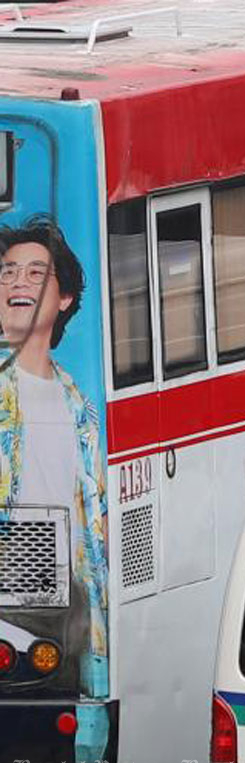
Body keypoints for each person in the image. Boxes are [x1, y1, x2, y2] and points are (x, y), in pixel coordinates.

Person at [0, 216, 108, 690]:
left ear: (64, 300)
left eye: (35, 272)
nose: (17, 281)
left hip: (65, 605)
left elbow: (92, 522)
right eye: (6, 272)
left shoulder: (78, 406)